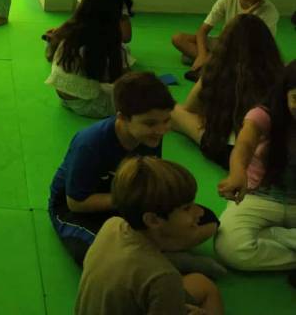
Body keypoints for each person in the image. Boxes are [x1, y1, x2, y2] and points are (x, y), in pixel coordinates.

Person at [49, 71, 218, 265]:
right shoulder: (90, 143)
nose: (162, 130)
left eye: (166, 120)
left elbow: (151, 181)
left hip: (129, 203)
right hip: (81, 211)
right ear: (122, 117)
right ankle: (157, 255)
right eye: (150, 123)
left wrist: (168, 206)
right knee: (99, 253)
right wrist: (133, 201)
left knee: (208, 221)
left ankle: (149, 254)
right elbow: (76, 203)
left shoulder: (149, 136)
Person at [75, 156, 224, 315]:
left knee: (201, 283)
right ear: (152, 220)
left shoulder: (112, 225)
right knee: (208, 290)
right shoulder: (163, 277)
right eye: (187, 208)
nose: (200, 212)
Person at [215, 60, 296, 278]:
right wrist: (237, 173)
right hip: (261, 195)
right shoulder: (263, 114)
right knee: (231, 248)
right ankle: (286, 239)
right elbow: (244, 144)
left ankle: (277, 237)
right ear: (284, 94)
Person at [171, 13, 284, 168]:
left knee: (174, 111)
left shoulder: (218, 71)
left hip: (230, 150)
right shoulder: (278, 72)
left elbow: (189, 108)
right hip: (270, 152)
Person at [172, 0, 279, 80]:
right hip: (224, 43)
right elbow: (203, 31)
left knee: (187, 57)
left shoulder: (270, 11)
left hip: (249, 51)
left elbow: (263, 47)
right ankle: (214, 64)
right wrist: (202, 55)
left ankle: (214, 66)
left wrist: (244, 16)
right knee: (178, 38)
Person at [45, 0, 128, 118]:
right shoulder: (99, 43)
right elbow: (114, 78)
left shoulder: (67, 31)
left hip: (64, 98)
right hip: (88, 104)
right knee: (136, 98)